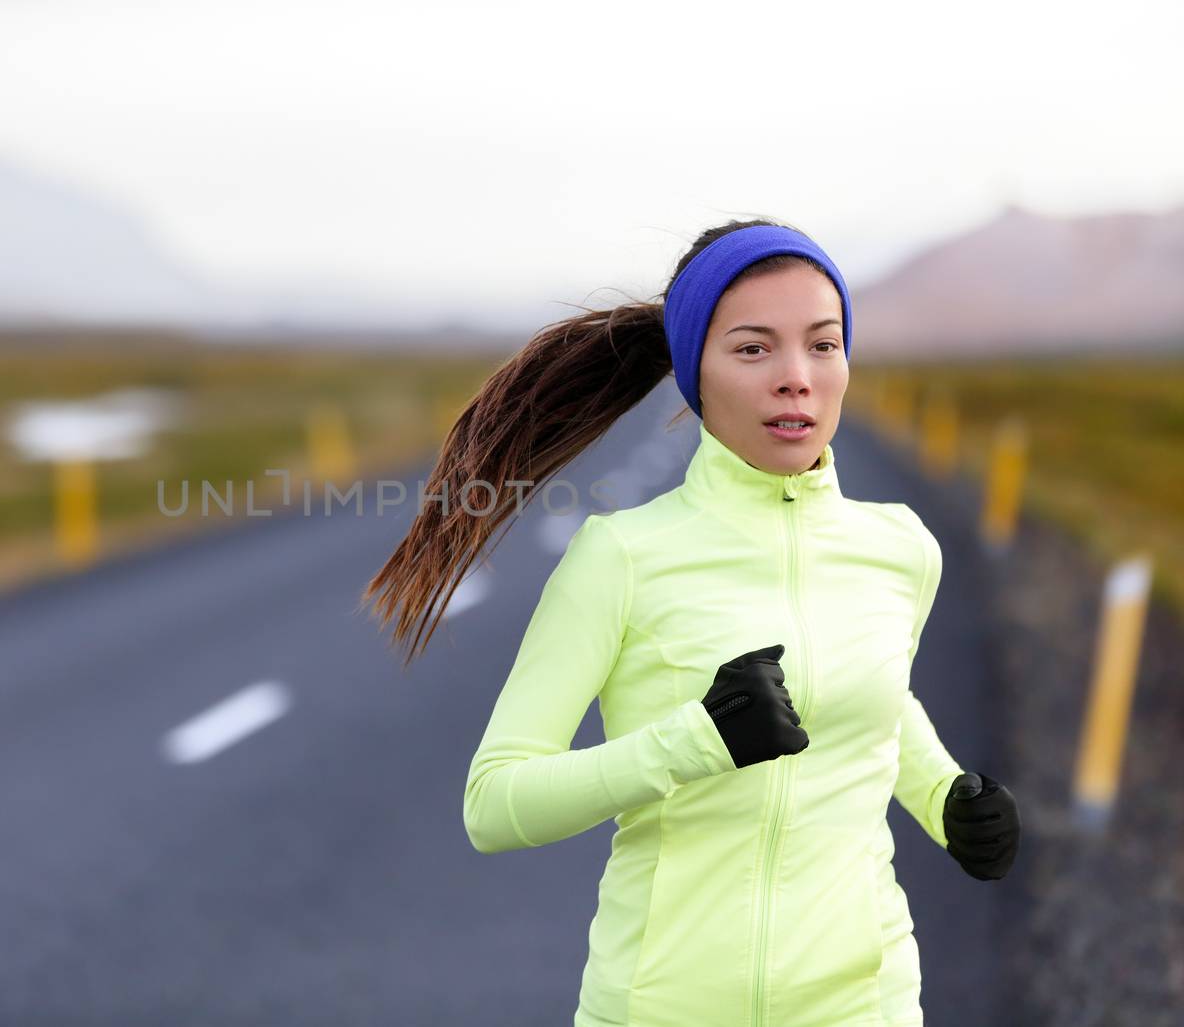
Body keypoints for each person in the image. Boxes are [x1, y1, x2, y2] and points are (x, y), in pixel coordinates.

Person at [360, 218, 1021, 1026]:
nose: (796, 378)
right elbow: (493, 804)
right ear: (694, 373)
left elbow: (877, 699)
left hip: (869, 1003)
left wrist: (943, 795)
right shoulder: (622, 558)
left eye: (823, 343)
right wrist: (692, 742)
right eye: (753, 348)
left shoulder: (901, 548)